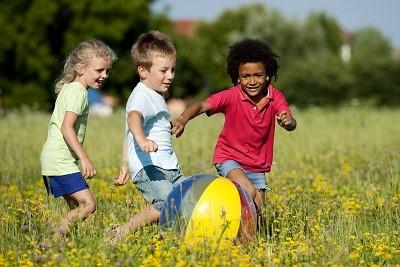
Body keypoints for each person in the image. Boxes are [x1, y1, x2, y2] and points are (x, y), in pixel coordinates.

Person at [171, 38, 297, 212]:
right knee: (247, 191)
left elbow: (290, 121)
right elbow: (201, 105)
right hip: (229, 158)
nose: (252, 81)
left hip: (257, 165)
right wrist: (182, 119)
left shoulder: (276, 97)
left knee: (257, 213)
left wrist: (288, 122)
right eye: (246, 76)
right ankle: (215, 213)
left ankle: (241, 236)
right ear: (238, 78)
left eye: (258, 75)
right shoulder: (231, 96)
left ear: (267, 75)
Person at [110, 31, 185, 243]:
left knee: (187, 198)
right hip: (150, 167)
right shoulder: (142, 95)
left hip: (168, 166)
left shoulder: (155, 94)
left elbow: (128, 133)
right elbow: (133, 119)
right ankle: (123, 231)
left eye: (172, 70)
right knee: (166, 203)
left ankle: (168, 239)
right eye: (164, 70)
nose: (170, 75)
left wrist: (124, 164)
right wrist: (143, 140)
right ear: (143, 71)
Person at [40, 40, 117, 237]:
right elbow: (67, 127)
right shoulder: (79, 92)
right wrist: (84, 158)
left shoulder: (70, 88)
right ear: (80, 68)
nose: (104, 76)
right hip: (60, 160)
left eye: (107, 71)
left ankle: (69, 242)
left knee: (77, 207)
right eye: (99, 70)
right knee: (88, 205)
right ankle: (54, 238)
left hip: (53, 159)